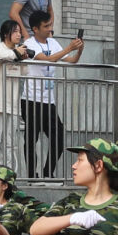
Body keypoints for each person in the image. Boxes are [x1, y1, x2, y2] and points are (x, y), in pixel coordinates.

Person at [18, 12, 83, 178]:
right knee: (31, 139)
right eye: (46, 26)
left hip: (49, 101)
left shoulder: (53, 42)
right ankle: (32, 175)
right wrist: (69, 48)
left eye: (50, 25)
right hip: (31, 99)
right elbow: (46, 59)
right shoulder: (28, 43)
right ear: (35, 29)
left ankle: (48, 172)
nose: (49, 29)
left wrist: (79, 50)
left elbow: (72, 60)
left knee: (58, 136)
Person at [0, 19, 27, 166]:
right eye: (15, 31)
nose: (19, 35)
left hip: (13, 103)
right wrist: (17, 53)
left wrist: (22, 58)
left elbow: (25, 71)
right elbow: (2, 56)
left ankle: (9, 171)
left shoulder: (17, 52)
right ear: (5, 34)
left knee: (11, 142)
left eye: (19, 32)